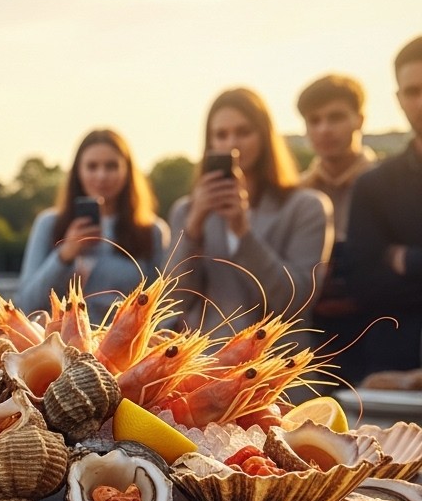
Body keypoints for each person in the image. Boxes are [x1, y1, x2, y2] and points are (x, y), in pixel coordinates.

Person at [168, 88, 332, 343]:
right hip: (208, 366)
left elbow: (295, 302)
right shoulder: (186, 212)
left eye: (244, 132)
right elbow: (173, 303)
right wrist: (193, 229)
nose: (232, 143)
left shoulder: (306, 207)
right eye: (221, 135)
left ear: (265, 137)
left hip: (278, 366)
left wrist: (242, 232)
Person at [16, 128, 170, 322]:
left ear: (127, 170)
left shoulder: (152, 231)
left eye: (112, 166)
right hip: (59, 346)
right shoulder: (49, 224)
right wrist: (64, 254)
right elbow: (26, 304)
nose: (101, 176)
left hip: (126, 346)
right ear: (78, 171)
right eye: (92, 166)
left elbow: (161, 308)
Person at [349, 35, 422, 380]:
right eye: (413, 91)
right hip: (393, 377)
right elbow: (365, 287)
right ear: (398, 99)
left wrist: (406, 259)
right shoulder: (374, 186)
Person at [296, 74, 377, 384]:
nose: (324, 129)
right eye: (314, 120)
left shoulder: (390, 187)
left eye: (335, 117)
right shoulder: (295, 194)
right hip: (311, 340)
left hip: (380, 333)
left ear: (360, 119)